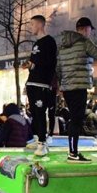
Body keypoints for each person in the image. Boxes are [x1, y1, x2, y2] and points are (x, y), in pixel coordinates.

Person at [57, 17, 97, 162]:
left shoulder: (63, 46)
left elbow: (58, 69)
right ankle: (73, 153)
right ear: (86, 29)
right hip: (79, 86)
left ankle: (72, 151)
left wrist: (60, 86)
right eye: (90, 30)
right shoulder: (84, 42)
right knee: (77, 120)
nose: (90, 33)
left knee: (74, 119)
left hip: (67, 88)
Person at [23, 15, 57, 156]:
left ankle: (43, 143)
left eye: (32, 24)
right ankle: (37, 139)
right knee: (35, 113)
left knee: (41, 111)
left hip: (41, 83)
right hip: (32, 82)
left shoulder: (49, 42)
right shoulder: (35, 43)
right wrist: (30, 65)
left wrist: (35, 65)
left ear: (40, 25)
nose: (30, 27)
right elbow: (34, 62)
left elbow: (50, 63)